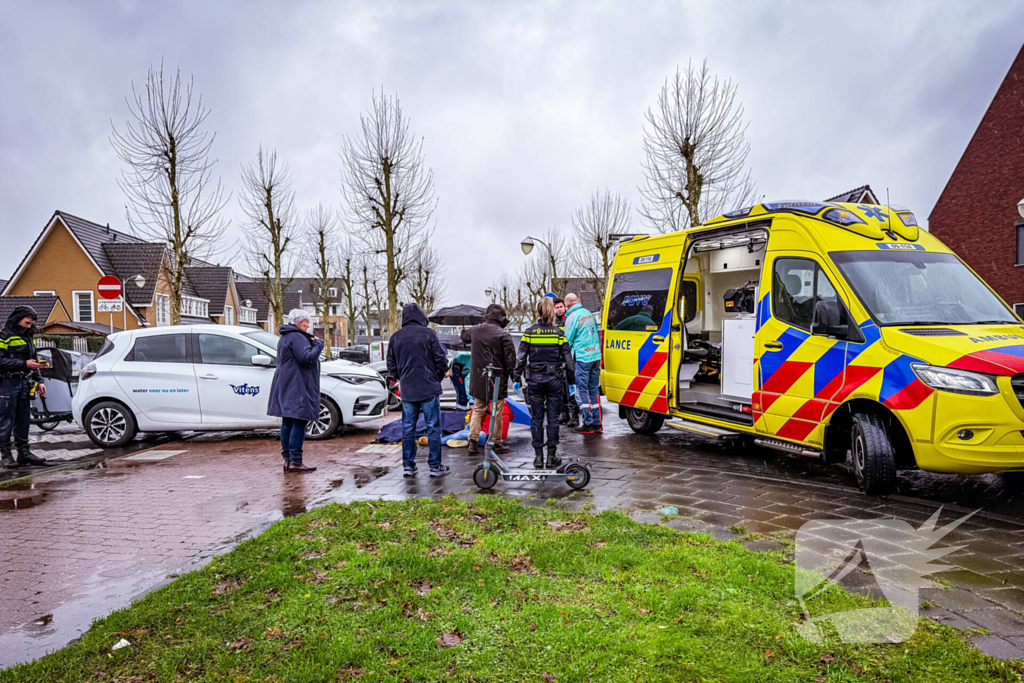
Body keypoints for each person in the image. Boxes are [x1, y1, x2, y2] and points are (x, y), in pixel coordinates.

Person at [387, 303, 451, 478]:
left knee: (407, 429)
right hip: (428, 387)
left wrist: (403, 378)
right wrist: (435, 377)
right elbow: (441, 360)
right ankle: (435, 466)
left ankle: (408, 466)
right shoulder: (429, 334)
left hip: (408, 390)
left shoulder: (395, 338)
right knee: (433, 428)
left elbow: (391, 366)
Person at [514, 298, 575, 469]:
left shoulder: (529, 333)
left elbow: (520, 358)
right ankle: (551, 457)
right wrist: (572, 381)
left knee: (537, 419)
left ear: (538, 313)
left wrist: (516, 378)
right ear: (553, 312)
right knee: (553, 419)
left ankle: (538, 458)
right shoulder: (559, 333)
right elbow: (568, 360)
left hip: (534, 380)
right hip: (555, 380)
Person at [268, 309, 324, 473]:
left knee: (288, 422)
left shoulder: (286, 337)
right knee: (299, 421)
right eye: (307, 322)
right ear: (300, 323)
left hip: (287, 384)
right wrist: (318, 345)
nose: (308, 325)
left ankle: (288, 459)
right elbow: (306, 357)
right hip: (297, 386)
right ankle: (296, 461)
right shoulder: (297, 337)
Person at [460, 304, 516, 455]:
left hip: (479, 376)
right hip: (497, 378)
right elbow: (510, 360)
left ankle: (473, 441)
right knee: (496, 411)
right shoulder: (503, 335)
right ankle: (497, 442)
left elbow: (464, 338)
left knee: (478, 408)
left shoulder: (476, 330)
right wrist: (516, 378)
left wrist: (464, 331)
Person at [0, 306, 47, 469]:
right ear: (17, 318)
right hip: (7, 383)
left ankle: (24, 453)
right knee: (6, 419)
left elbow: (33, 360)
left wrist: (39, 380)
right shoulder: (4, 335)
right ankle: (5, 455)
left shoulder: (28, 336)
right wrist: (23, 364)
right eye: (27, 322)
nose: (29, 326)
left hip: (24, 383)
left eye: (31, 323)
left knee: (23, 419)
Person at [564, 292, 604, 434]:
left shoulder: (572, 317)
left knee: (582, 391)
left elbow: (566, 340)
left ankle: (588, 423)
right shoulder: (589, 313)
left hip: (582, 357)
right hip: (595, 356)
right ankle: (598, 423)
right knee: (593, 390)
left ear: (567, 305)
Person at [553, 296, 580, 429]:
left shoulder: (569, 319)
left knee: (571, 387)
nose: (559, 310)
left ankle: (574, 416)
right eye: (556, 308)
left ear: (565, 307)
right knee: (560, 389)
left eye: (561, 307)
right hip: (557, 359)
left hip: (569, 357)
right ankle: (564, 414)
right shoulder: (553, 322)